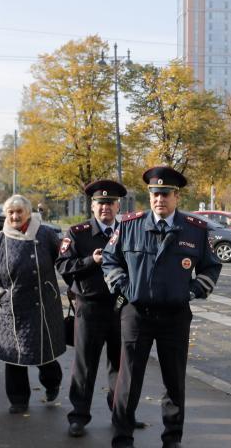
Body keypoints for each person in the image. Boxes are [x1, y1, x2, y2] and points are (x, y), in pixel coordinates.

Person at [102, 166, 222, 448]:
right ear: (149, 196)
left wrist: (192, 291)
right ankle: (122, 437)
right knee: (128, 381)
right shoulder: (129, 226)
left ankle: (172, 439)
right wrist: (124, 287)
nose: (160, 199)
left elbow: (211, 267)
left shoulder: (195, 230)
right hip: (137, 314)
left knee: (174, 381)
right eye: (155, 194)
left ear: (176, 197)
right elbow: (110, 260)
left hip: (175, 316)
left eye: (165, 194)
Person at [56, 180, 138, 438]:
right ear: (92, 206)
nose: (106, 208)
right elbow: (62, 265)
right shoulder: (77, 233)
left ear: (118, 205)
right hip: (90, 308)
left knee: (121, 365)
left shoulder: (129, 231)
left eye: (110, 203)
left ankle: (121, 414)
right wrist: (90, 261)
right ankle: (78, 416)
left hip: (121, 307)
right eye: (101, 203)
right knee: (85, 365)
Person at [0, 194, 65, 414]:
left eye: (19, 211)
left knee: (44, 353)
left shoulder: (45, 234)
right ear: (5, 214)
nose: (15, 216)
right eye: (11, 212)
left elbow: (65, 263)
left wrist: (76, 287)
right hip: (13, 307)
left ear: (28, 213)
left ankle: (52, 383)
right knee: (14, 356)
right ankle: (18, 400)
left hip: (43, 304)